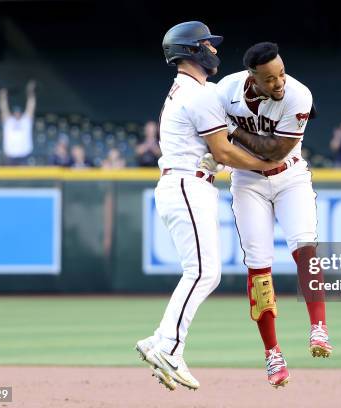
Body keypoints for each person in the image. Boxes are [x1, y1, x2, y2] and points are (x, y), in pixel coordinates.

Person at [134, 21, 279, 392]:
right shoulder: (195, 94)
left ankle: (163, 342)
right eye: (208, 45)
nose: (214, 50)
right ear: (192, 50)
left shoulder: (197, 90)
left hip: (187, 183)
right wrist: (267, 165)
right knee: (202, 272)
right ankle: (168, 346)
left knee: (202, 271)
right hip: (186, 183)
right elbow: (223, 150)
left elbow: (231, 96)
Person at [214, 42, 333, 387]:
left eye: (281, 72)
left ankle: (319, 327)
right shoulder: (225, 92)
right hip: (247, 182)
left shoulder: (298, 95)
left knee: (305, 248)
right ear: (252, 78)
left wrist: (232, 132)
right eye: (270, 79)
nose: (280, 82)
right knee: (259, 266)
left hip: (290, 176)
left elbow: (275, 152)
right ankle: (272, 353)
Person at [0, 80, 36, 165]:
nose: (17, 114)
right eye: (15, 112)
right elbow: (3, 108)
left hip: (24, 155)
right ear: (13, 113)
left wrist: (30, 92)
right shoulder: (9, 121)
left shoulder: (25, 121)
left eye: (19, 112)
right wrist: (2, 97)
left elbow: (31, 106)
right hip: (10, 155)